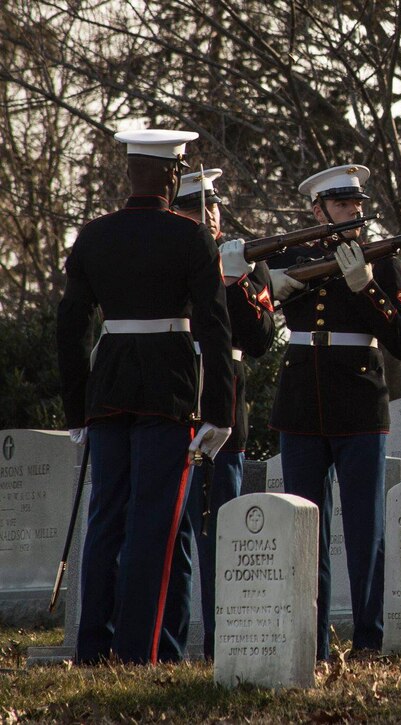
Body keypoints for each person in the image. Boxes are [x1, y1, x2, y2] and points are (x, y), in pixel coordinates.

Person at [57, 129, 233, 664]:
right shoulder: (190, 237)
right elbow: (215, 327)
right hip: (167, 390)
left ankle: (93, 647)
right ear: (173, 174)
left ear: (130, 173)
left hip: (107, 390)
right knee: (153, 522)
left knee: (106, 518)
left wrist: (76, 407)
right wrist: (220, 411)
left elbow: (70, 327)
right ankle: (140, 651)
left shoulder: (93, 236)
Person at [265, 164, 401, 659]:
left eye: (356, 203)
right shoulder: (289, 256)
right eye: (342, 204)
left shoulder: (384, 260)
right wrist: (267, 291)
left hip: (358, 401)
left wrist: (365, 287)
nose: (354, 210)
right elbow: (249, 318)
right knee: (305, 529)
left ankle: (369, 639)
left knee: (364, 527)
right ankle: (311, 641)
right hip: (303, 401)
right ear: (318, 210)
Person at [170, 168, 276, 659]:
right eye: (196, 207)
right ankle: (170, 640)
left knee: (220, 532)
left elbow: (259, 340)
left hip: (225, 407)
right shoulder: (166, 255)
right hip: (174, 397)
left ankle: (220, 643)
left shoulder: (248, 265)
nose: (208, 216)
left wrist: (233, 284)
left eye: (212, 207)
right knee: (176, 532)